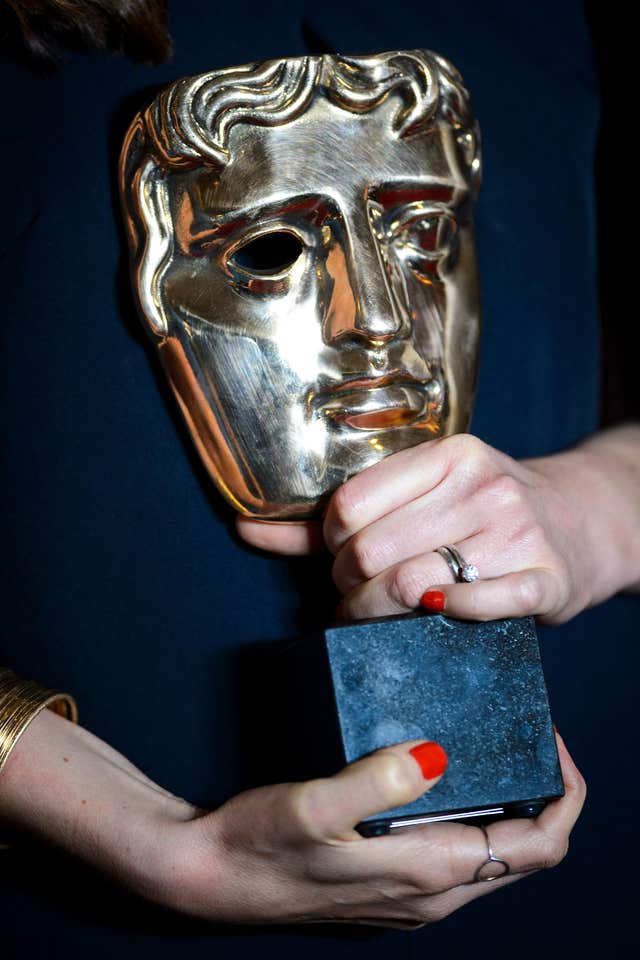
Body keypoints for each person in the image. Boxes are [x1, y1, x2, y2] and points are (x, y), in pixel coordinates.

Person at [0, 1, 637, 956]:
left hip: (590, 836)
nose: (379, 320)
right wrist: (143, 840)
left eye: (422, 235)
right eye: (271, 251)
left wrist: (604, 507)